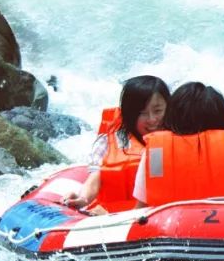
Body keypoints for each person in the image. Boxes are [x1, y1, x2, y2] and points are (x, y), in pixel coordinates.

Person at [132, 82, 224, 205]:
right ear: (221, 116)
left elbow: (142, 209)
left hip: (172, 231)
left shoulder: (156, 151)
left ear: (172, 116)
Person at [60, 75, 169, 212]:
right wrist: (83, 199)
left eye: (158, 111)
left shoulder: (180, 138)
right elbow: (96, 177)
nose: (152, 119)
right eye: (143, 113)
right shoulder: (108, 142)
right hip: (117, 217)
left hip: (164, 213)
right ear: (130, 115)